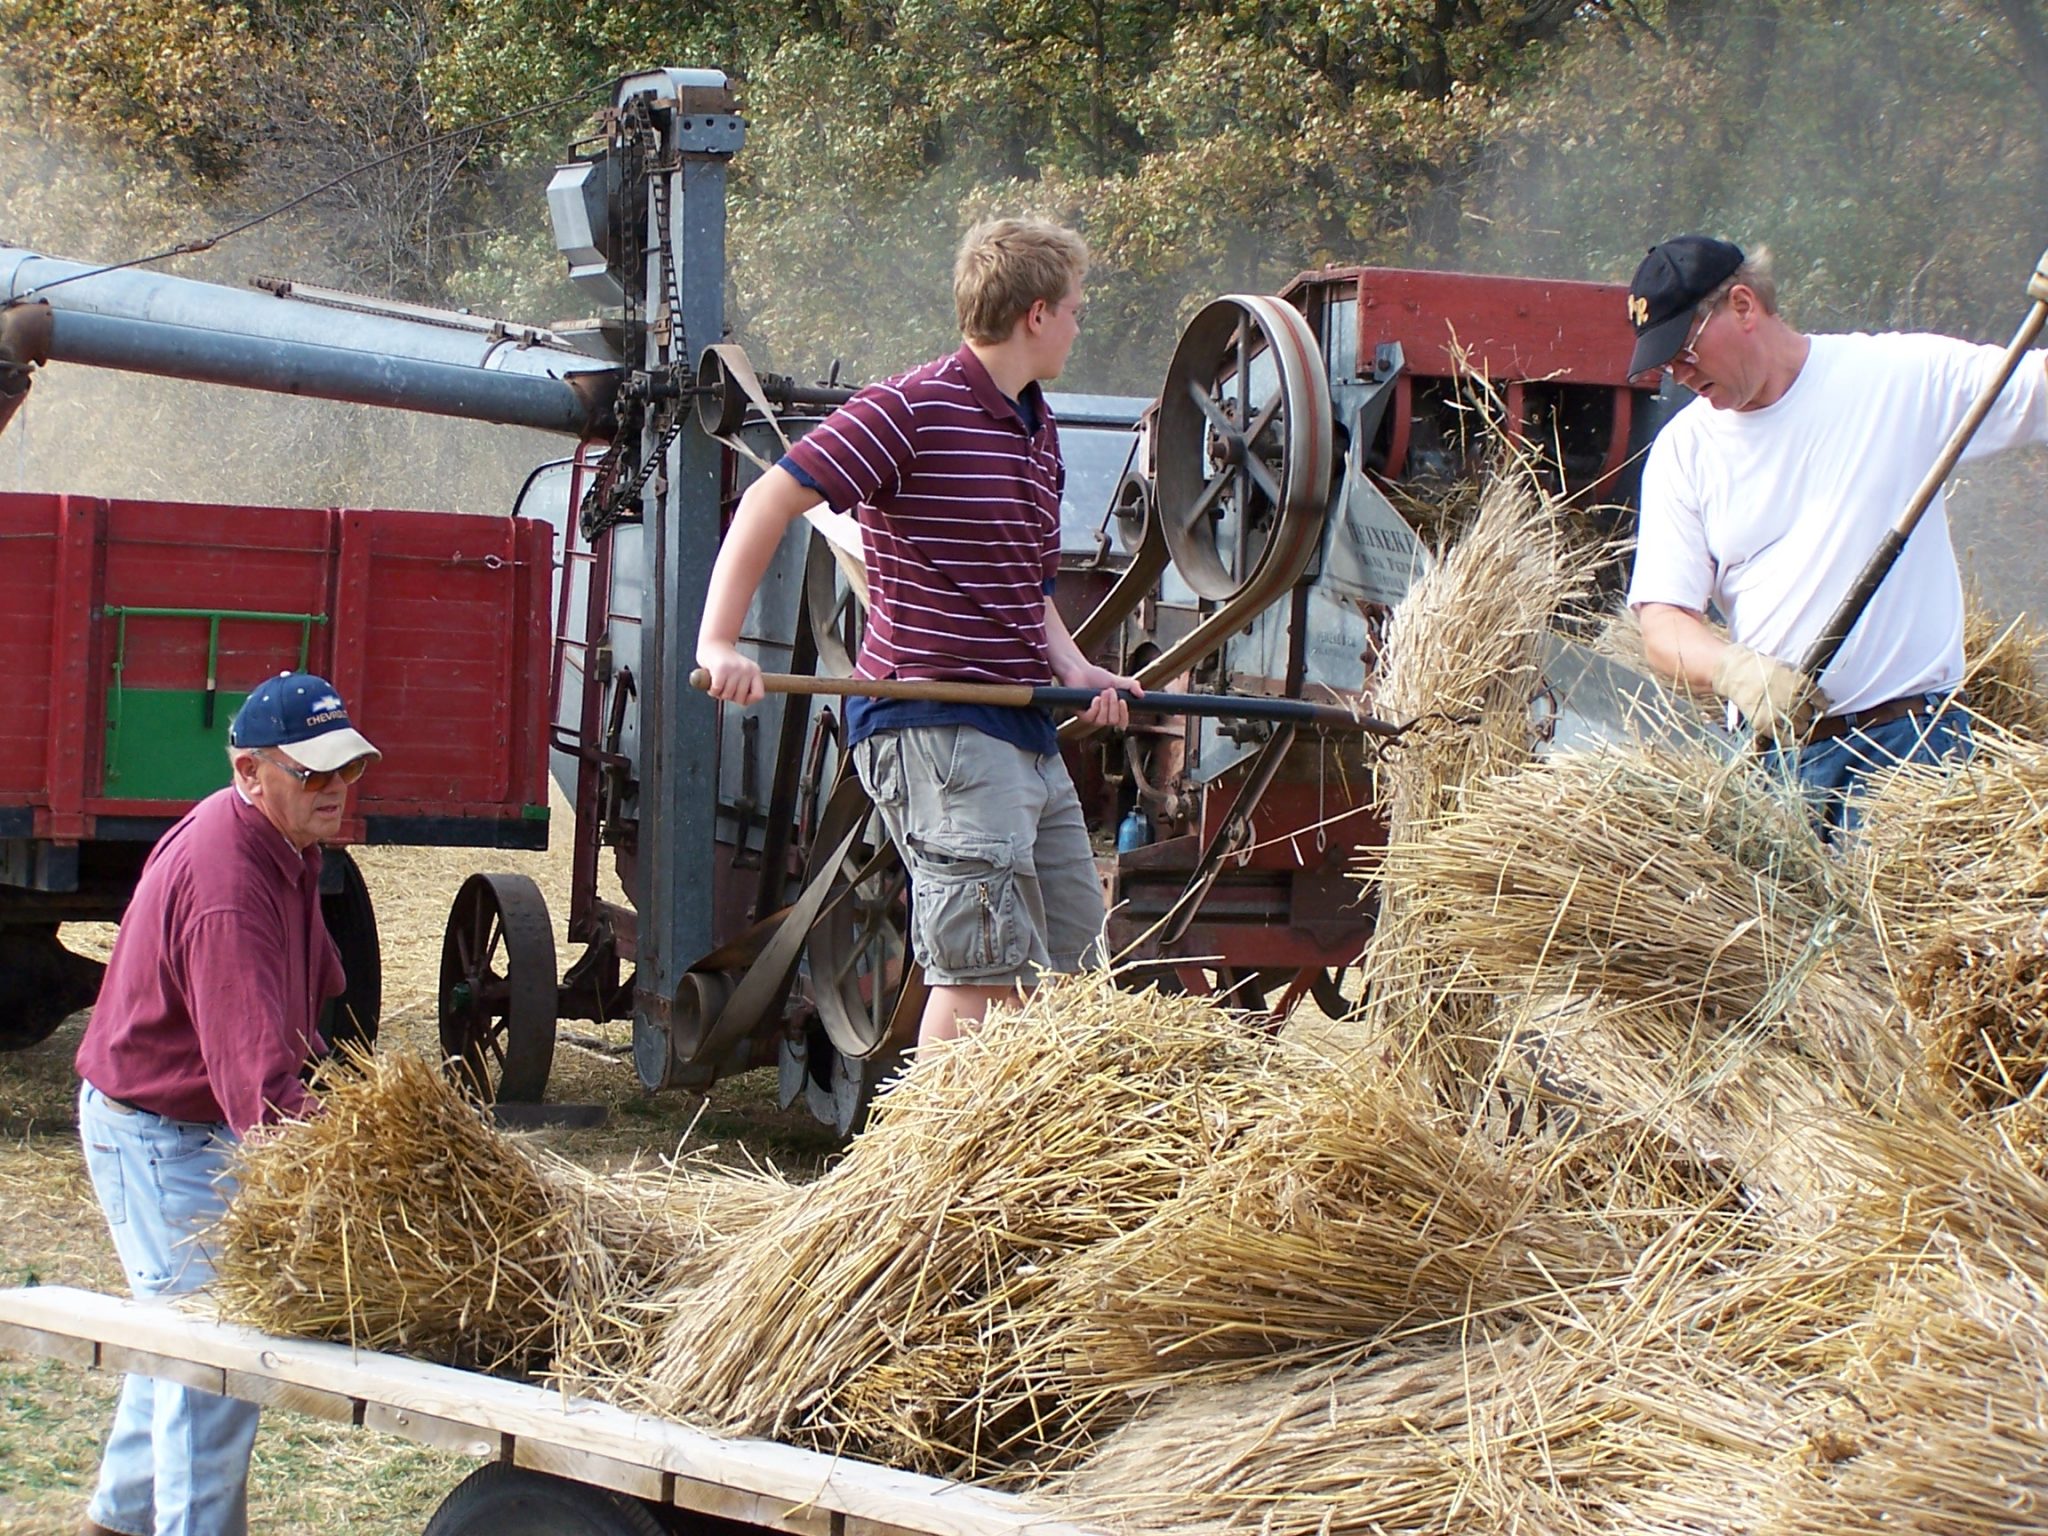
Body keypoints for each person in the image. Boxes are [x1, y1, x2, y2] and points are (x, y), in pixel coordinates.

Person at [696, 216, 1138, 1048]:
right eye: (1076, 309)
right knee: (985, 977)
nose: (1081, 324)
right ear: (1035, 315)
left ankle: (1027, 1171)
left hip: (1024, 727)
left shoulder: (1038, 433)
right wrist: (716, 643)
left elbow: (1025, 588)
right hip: (936, 727)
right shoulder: (910, 409)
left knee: (1073, 977)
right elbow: (769, 500)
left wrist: (1077, 668)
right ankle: (925, 1179)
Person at [74, 671, 378, 1536]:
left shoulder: (285, 845)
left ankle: (112, 1525)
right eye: (313, 773)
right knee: (216, 1367)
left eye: (346, 770)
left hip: (186, 1127)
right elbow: (259, 1093)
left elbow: (314, 991)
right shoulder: (227, 885)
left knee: (175, 1344)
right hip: (157, 1139)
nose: (335, 791)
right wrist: (362, 1159)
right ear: (250, 771)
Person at [1623, 233, 2048, 835]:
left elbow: (2038, 386)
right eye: (1664, 362)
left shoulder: (1898, 377)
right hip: (1777, 768)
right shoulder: (1684, 453)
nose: (1677, 374)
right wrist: (1735, 671)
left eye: (1684, 350)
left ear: (1743, 306)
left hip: (1913, 753)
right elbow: (1663, 625)